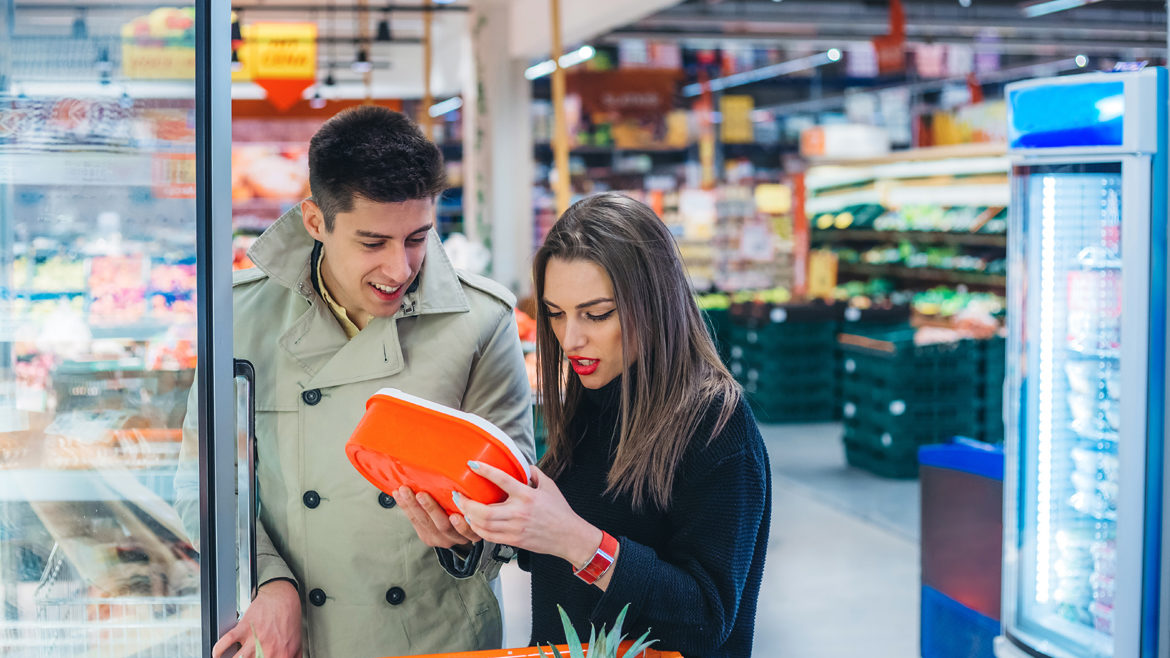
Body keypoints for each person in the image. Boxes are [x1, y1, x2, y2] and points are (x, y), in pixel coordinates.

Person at [177, 106, 534, 658]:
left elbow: (513, 498)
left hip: (434, 637)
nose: (400, 268)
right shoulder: (240, 318)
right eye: (373, 243)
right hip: (292, 636)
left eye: (418, 237)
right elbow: (203, 484)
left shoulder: (481, 323)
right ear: (315, 222)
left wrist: (469, 538)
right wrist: (267, 581)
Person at [453, 192, 772, 657]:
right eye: (556, 314)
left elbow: (707, 620)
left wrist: (577, 541)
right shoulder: (593, 397)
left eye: (597, 314)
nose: (571, 338)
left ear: (654, 302)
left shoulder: (716, 426)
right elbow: (563, 556)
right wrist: (481, 523)